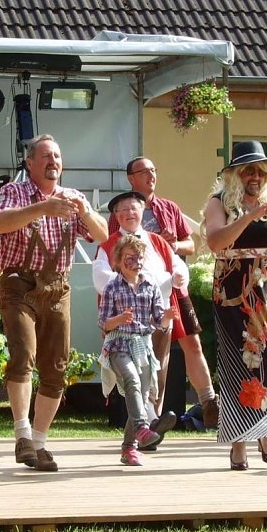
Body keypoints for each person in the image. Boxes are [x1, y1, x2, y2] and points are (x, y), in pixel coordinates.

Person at [0, 134, 108, 472]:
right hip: (19, 284)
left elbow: (103, 236)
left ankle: (39, 444)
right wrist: (42, 207)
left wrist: (86, 212)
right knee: (23, 354)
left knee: (56, 368)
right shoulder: (14, 191)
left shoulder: (73, 198)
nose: (53, 161)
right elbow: (0, 223)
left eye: (57, 156)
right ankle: (22, 435)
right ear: (30, 163)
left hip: (58, 287)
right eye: (45, 156)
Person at [202, 141, 267, 469]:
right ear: (234, 174)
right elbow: (216, 242)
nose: (255, 176)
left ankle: (266, 433)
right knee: (239, 364)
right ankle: (238, 443)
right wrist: (251, 216)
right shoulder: (218, 202)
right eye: (248, 170)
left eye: (262, 171)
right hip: (234, 294)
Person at [110, 156, 219, 427]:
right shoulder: (122, 210)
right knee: (150, 353)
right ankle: (150, 416)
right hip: (140, 294)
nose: (151, 176)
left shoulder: (168, 207)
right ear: (131, 178)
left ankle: (209, 404)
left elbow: (190, 245)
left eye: (153, 171)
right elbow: (112, 248)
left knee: (192, 342)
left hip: (172, 287)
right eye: (143, 172)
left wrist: (172, 245)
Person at [93, 191, 186, 445]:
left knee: (157, 374)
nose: (128, 213)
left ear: (142, 210)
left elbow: (178, 265)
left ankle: (145, 431)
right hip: (125, 327)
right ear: (115, 216)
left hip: (158, 319)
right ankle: (150, 422)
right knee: (133, 378)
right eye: (122, 210)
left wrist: (178, 278)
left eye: (133, 208)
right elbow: (100, 278)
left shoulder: (157, 241)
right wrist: (133, 283)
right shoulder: (108, 245)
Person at [98, 234, 176, 466]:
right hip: (118, 345)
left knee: (140, 398)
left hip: (143, 345)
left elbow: (158, 320)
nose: (136, 262)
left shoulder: (150, 284)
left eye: (139, 257)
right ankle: (142, 428)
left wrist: (167, 318)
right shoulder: (112, 286)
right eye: (131, 257)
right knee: (131, 380)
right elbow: (103, 323)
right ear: (120, 261)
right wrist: (119, 319)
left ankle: (128, 449)